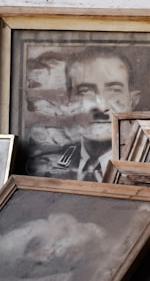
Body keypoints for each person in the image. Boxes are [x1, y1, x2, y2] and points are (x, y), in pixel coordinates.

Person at [26, 47, 141, 181]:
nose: (101, 107)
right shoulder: (47, 168)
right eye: (85, 91)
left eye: (114, 90)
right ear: (68, 102)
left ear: (133, 101)